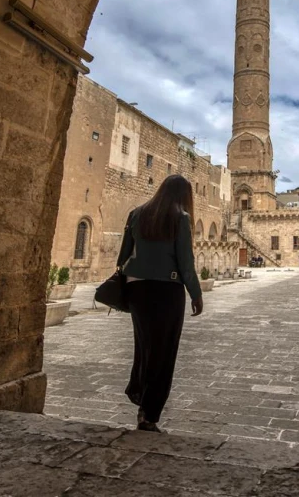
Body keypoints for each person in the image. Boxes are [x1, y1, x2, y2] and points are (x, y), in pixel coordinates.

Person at [116, 174, 203, 432]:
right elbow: (186, 262)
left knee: (144, 346)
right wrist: (195, 294)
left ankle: (139, 394)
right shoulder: (181, 218)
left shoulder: (136, 214)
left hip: (138, 289)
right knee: (163, 351)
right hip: (167, 290)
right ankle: (150, 413)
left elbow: (123, 255)